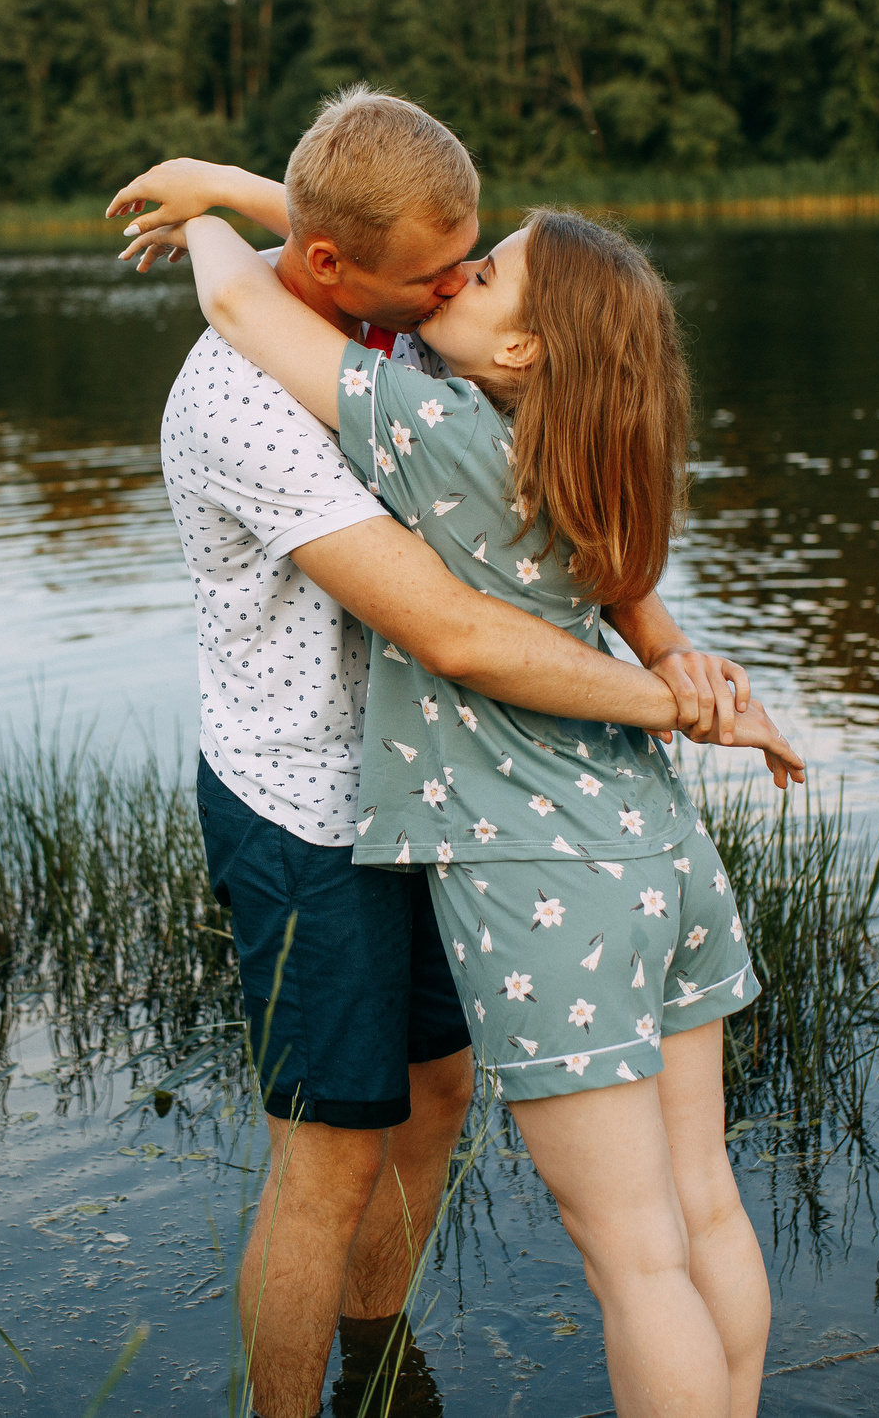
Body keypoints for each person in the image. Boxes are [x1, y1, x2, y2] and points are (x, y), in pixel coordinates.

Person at [112, 89, 800, 1418]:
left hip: (473, 820)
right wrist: (677, 691)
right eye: (440, 268)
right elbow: (455, 631)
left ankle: (384, 1370)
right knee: (335, 1162)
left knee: (478, 1136)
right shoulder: (278, 403)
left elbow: (310, 259)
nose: (449, 288)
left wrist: (211, 196)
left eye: (473, 266)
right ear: (342, 266)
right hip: (317, 807)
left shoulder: (416, 353)